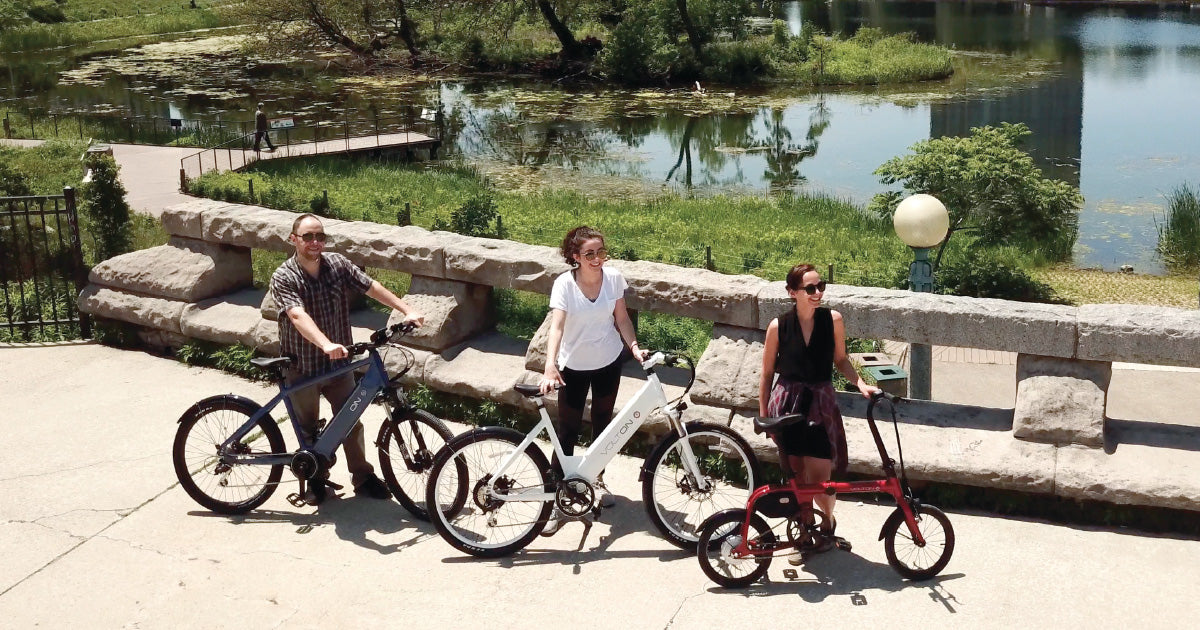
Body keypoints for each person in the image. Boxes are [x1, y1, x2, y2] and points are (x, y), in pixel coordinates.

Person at [270, 213, 424, 505]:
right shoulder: (284, 276)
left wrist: (406, 309)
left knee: (351, 421)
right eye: (308, 237)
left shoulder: (337, 264)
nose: (315, 242)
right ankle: (315, 480)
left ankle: (363, 477)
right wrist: (326, 343)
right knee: (309, 429)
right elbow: (296, 314)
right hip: (302, 364)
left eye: (320, 236)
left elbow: (370, 286)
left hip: (339, 363)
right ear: (294, 240)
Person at [758, 263, 878, 560]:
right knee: (797, 475)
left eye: (820, 286)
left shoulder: (832, 320)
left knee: (823, 478)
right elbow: (766, 373)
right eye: (810, 288)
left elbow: (841, 360)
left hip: (821, 404)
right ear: (792, 292)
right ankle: (807, 533)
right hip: (787, 405)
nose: (817, 293)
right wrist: (765, 418)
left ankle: (827, 524)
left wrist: (861, 383)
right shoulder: (779, 326)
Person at [538, 226, 647, 535]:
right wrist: (550, 366)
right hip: (573, 367)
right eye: (589, 254)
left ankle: (594, 483)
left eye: (601, 252)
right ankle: (555, 497)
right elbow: (556, 328)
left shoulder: (613, 279)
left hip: (608, 362)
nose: (597, 258)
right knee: (567, 433)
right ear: (576, 257)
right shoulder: (564, 284)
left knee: (603, 428)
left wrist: (634, 348)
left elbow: (622, 318)